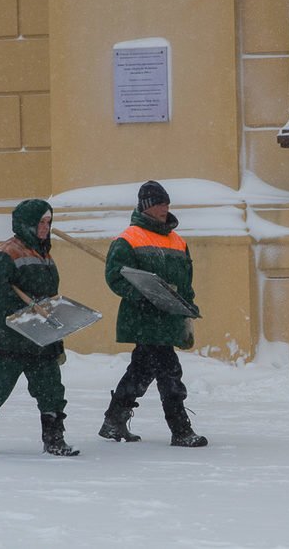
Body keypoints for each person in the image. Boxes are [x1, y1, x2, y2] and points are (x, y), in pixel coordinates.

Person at [0, 199, 79, 456]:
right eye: (41, 222)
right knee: (1, 385)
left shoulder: (45, 256)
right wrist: (26, 307)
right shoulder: (6, 253)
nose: (45, 226)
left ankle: (54, 439)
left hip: (40, 335)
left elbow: (50, 296)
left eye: (48, 222)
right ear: (27, 224)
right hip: (10, 334)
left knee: (51, 387)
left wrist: (55, 331)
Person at [98, 181, 208, 447]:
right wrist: (145, 296)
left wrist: (188, 309)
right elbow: (115, 278)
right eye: (159, 203)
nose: (165, 208)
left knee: (141, 371)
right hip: (144, 319)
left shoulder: (177, 241)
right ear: (146, 207)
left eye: (167, 203)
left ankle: (113, 420)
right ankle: (180, 429)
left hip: (169, 319)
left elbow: (185, 282)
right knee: (169, 372)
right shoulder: (129, 239)